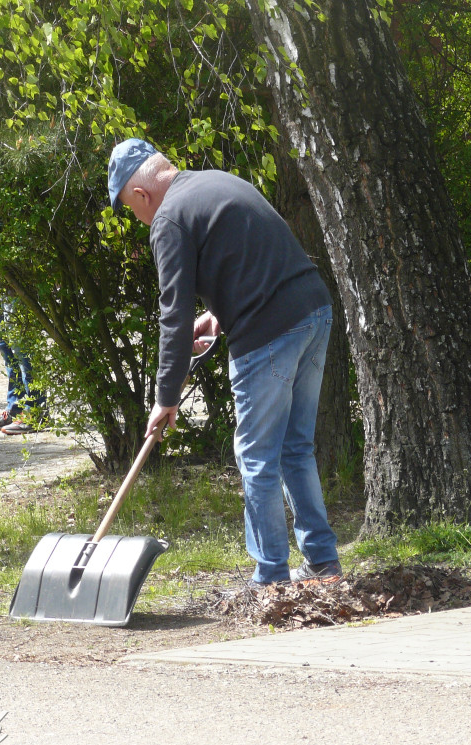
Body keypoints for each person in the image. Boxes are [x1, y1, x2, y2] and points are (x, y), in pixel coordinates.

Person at [107, 138, 342, 588]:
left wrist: (165, 398)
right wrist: (220, 314)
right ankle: (324, 563)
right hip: (313, 311)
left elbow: (172, 318)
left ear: (141, 195)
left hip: (270, 332)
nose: (137, 218)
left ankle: (270, 578)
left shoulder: (169, 219)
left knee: (256, 456)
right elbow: (255, 260)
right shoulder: (215, 183)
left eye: (129, 208)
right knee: (294, 449)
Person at [0, 297, 46, 436]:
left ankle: (35, 411)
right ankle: (16, 410)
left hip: (14, 282)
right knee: (2, 344)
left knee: (22, 346)